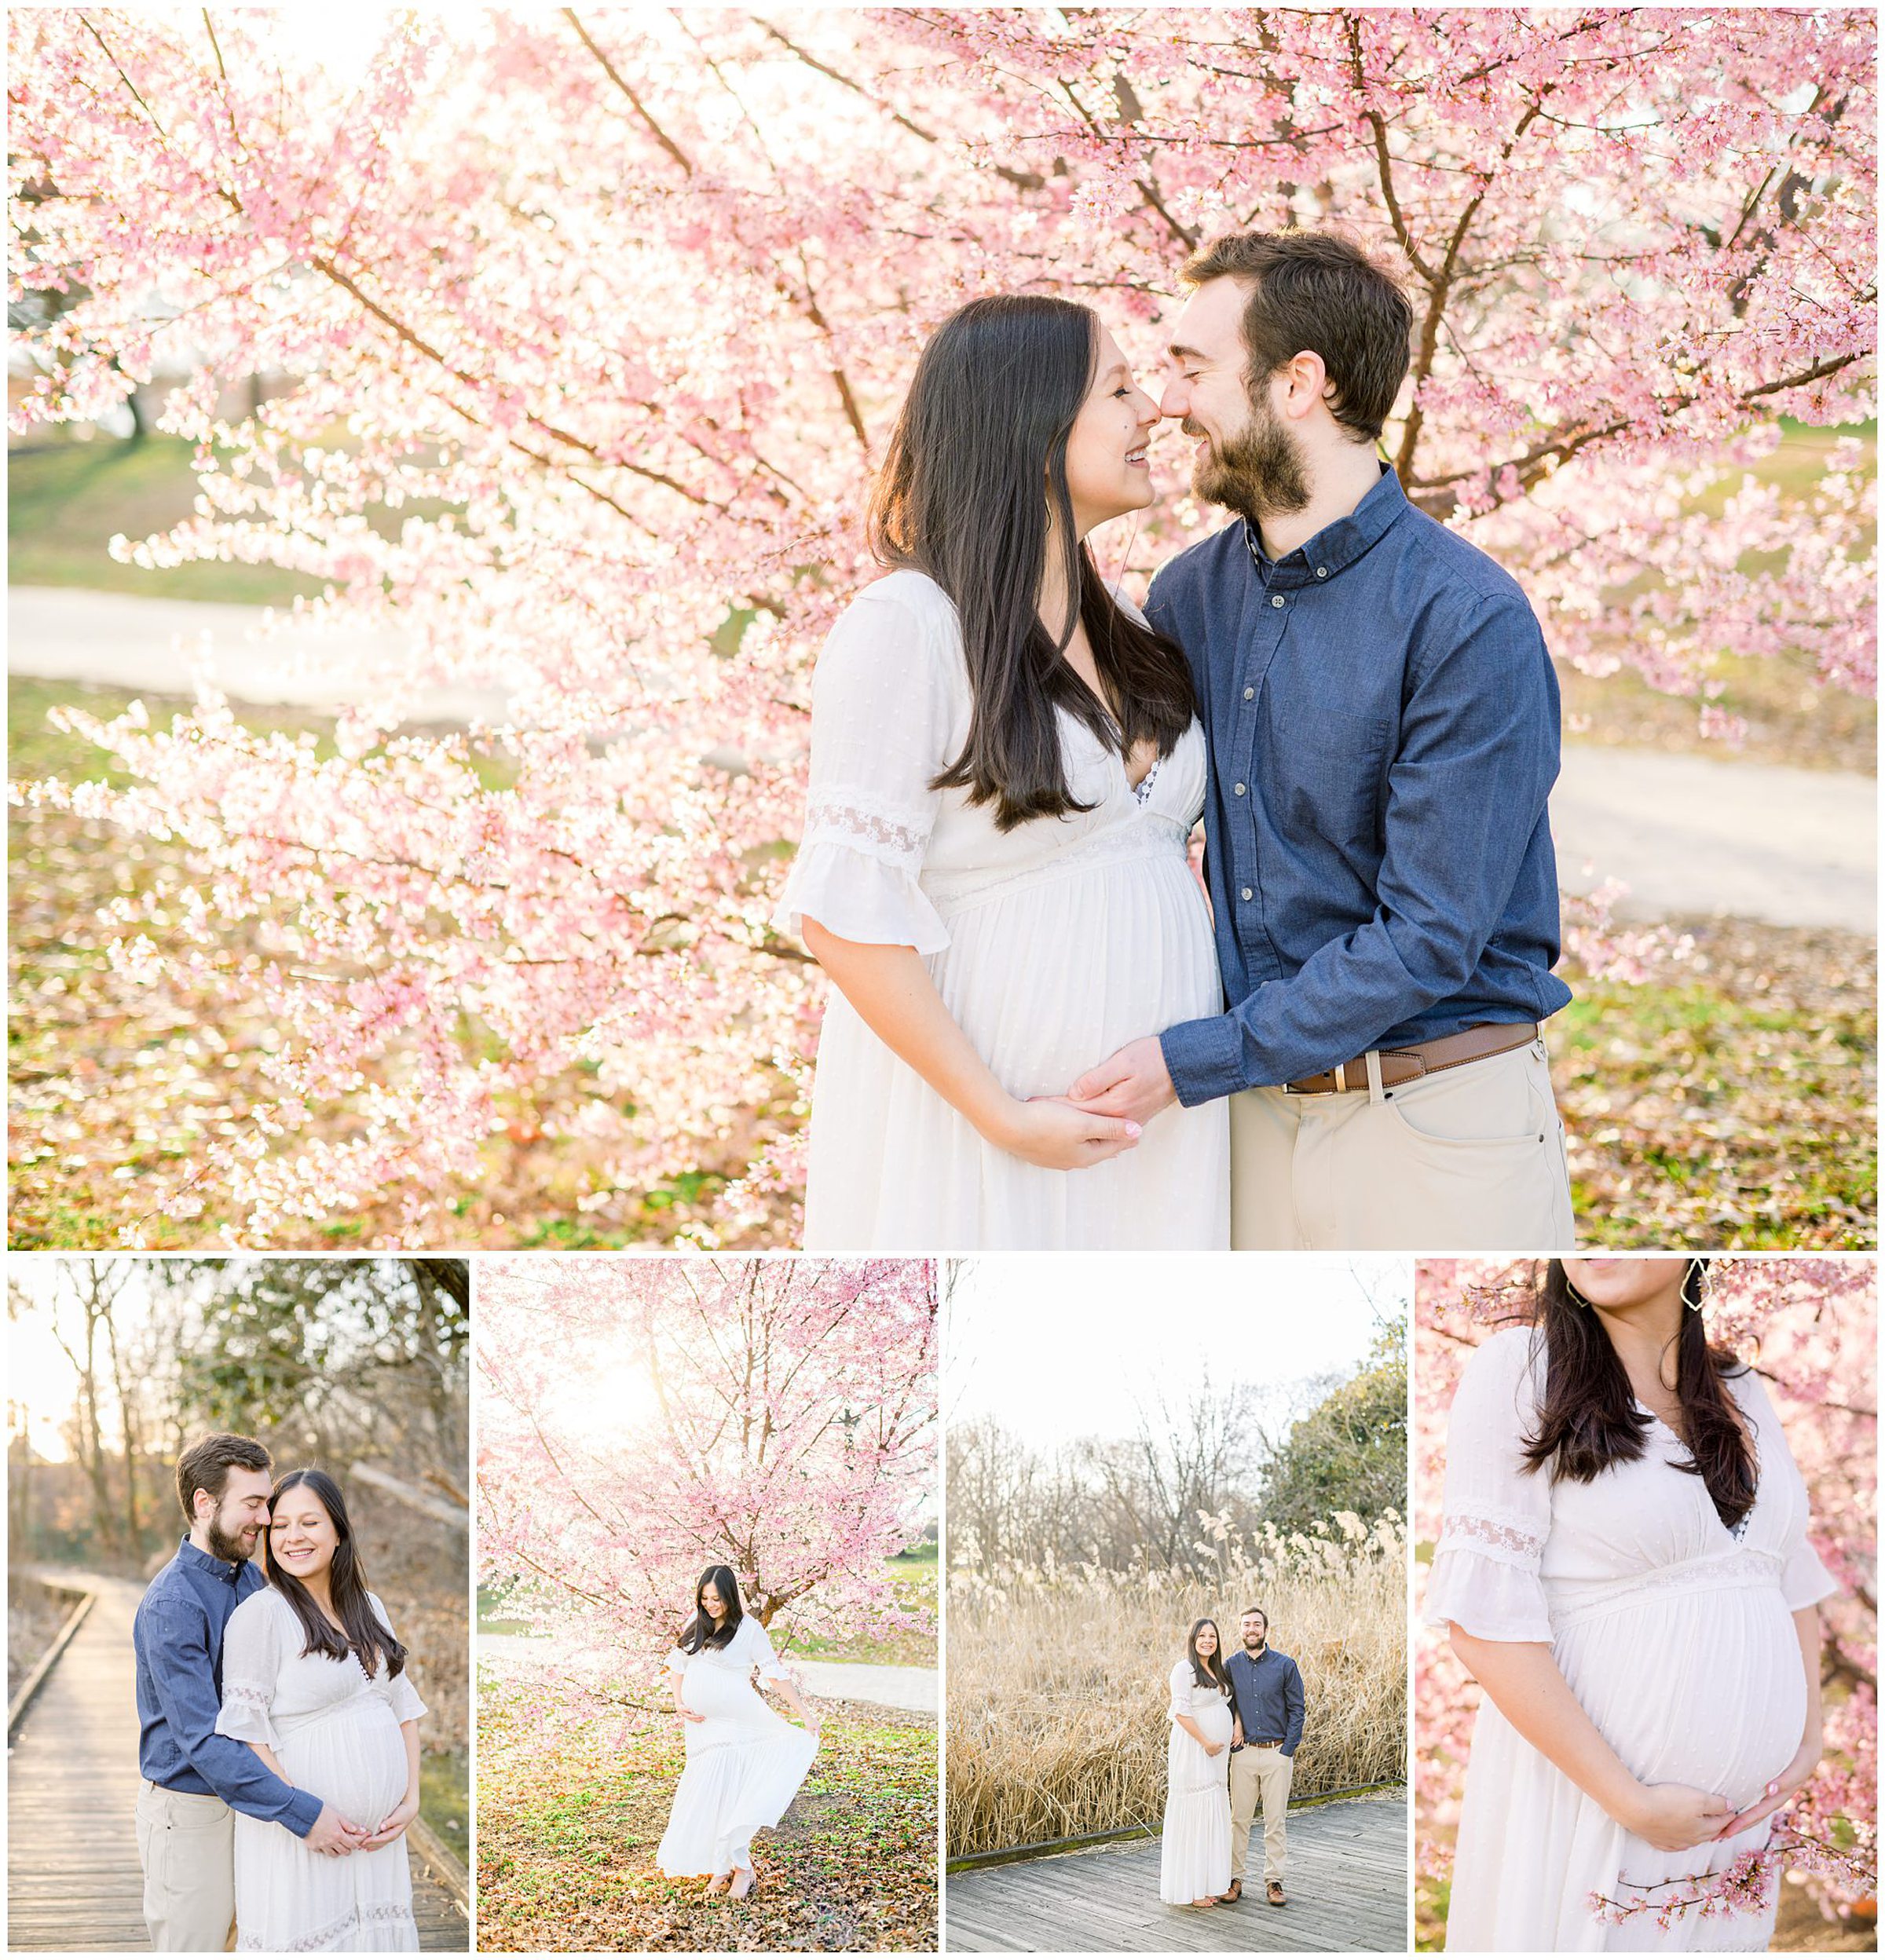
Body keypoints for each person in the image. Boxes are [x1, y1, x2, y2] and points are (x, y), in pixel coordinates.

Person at [1067, 229, 1577, 1253]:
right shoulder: (1190, 596)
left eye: (1195, 370)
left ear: (1300, 383)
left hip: (1435, 1121)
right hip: (1244, 1124)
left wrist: (1195, 1059)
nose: (1168, 406)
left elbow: (1431, 934)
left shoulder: (1465, 618)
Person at [772, 293, 1228, 1249]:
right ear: (1028, 422)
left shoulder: (1139, 631)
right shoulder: (908, 627)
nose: (1155, 410)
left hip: (1160, 1126)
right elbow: (845, 918)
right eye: (1119, 388)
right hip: (991, 1128)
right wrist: (1003, 1116)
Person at [1426, 1256, 1836, 1951]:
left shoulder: (1740, 1385)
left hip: (1736, 1831)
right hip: (1600, 1806)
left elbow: (1784, 1566)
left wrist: (1809, 1735)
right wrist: (1631, 1802)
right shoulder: (1523, 1368)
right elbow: (1482, 1617)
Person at [132, 1433, 368, 1952]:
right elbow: (205, 1740)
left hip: (253, 1803)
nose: (265, 1519)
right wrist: (303, 1813)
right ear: (204, 1503)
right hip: (192, 1812)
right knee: (198, 1945)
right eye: (254, 1504)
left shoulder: (250, 1581)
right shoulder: (172, 1605)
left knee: (253, 1940)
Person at [216, 1468, 427, 1951]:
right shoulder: (260, 1616)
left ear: (338, 1531)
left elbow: (403, 1710)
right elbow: (249, 1735)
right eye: (281, 1526)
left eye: (309, 1523)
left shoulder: (369, 1606)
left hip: (377, 1842)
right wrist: (308, 1816)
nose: (293, 1538)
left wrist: (411, 1799)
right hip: (305, 1837)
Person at [657, 1566, 820, 1897]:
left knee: (730, 1795)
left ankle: (742, 1870)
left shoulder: (749, 1629)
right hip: (703, 1728)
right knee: (710, 1795)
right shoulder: (698, 1622)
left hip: (739, 1723)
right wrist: (678, 1702)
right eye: (704, 1598)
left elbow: (773, 1673)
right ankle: (720, 1869)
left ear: (730, 1595)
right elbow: (677, 1664)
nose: (710, 1604)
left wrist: (804, 1713)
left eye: (716, 1598)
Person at [1223, 1604, 1307, 1906]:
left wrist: (1287, 1751)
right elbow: (1223, 1702)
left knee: (1276, 1821)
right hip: (1243, 1754)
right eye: (1246, 1625)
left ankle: (1274, 1881)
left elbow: (1298, 1709)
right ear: (1240, 1629)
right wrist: (1236, 1722)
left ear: (1265, 1630)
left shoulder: (1285, 1665)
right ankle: (1234, 1879)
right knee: (1239, 1820)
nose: (1251, 1630)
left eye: (1256, 1625)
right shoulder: (1231, 1665)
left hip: (1276, 1753)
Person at [1158, 1616, 1236, 1908]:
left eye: (1212, 1636)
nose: (1207, 1641)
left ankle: (1206, 1882)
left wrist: (1232, 1729)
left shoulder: (1216, 1669)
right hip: (1194, 1749)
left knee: (1212, 1813)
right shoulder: (1184, 1669)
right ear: (1193, 1640)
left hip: (1217, 1753)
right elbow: (1179, 1711)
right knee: (1195, 1813)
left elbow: (1223, 1704)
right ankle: (1191, 1889)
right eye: (1202, 1636)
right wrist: (1206, 1742)